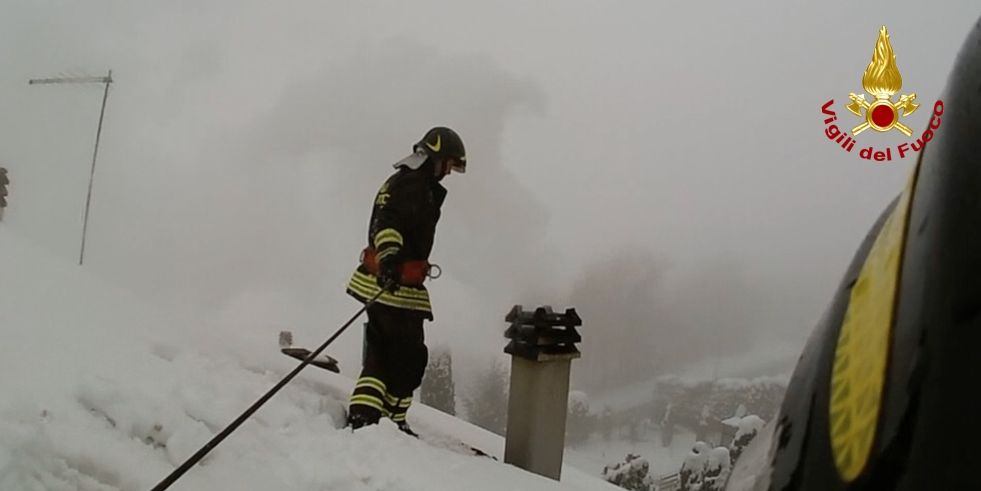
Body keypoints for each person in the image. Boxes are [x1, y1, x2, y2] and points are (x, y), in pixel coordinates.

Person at [345, 127, 466, 434]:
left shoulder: (402, 179)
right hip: (394, 285)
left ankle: (370, 415)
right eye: (448, 164)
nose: (449, 172)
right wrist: (390, 260)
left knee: (383, 353)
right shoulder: (413, 185)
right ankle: (384, 420)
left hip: (386, 282)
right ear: (435, 158)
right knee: (406, 357)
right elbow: (389, 224)